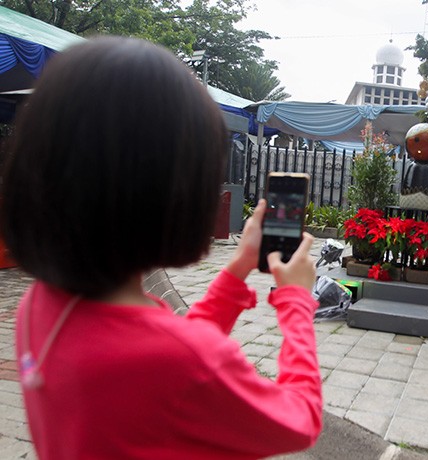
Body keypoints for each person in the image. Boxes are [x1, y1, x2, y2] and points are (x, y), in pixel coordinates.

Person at [0, 36, 322, 459]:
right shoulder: (178, 360)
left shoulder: (40, 306)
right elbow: (300, 421)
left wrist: (239, 266)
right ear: (176, 194)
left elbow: (170, 354)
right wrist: (296, 300)